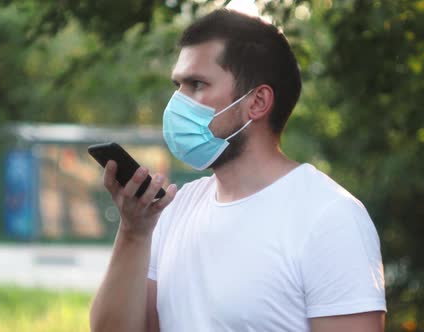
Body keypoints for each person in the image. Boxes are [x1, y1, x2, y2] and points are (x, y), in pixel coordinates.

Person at [90, 9, 386, 332]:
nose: (178, 102)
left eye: (197, 84)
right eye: (178, 85)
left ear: (257, 102)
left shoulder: (331, 218)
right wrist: (134, 233)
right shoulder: (173, 210)